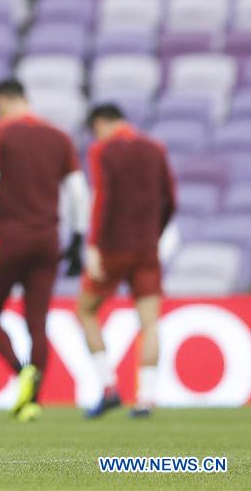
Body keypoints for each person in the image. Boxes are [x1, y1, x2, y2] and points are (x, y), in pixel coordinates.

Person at [0, 79, 89, 422]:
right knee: (37, 324)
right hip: (47, 240)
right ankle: (32, 401)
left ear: (2, 100)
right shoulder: (59, 137)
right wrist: (77, 238)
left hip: (7, 238)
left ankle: (22, 373)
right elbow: (78, 192)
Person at [76, 103, 176, 419]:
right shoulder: (155, 148)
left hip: (113, 247)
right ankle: (146, 398)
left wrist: (93, 244)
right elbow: (171, 199)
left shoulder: (102, 150)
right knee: (150, 323)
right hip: (146, 247)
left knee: (86, 310)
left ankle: (109, 388)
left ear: (101, 123)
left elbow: (103, 198)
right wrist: (155, 233)